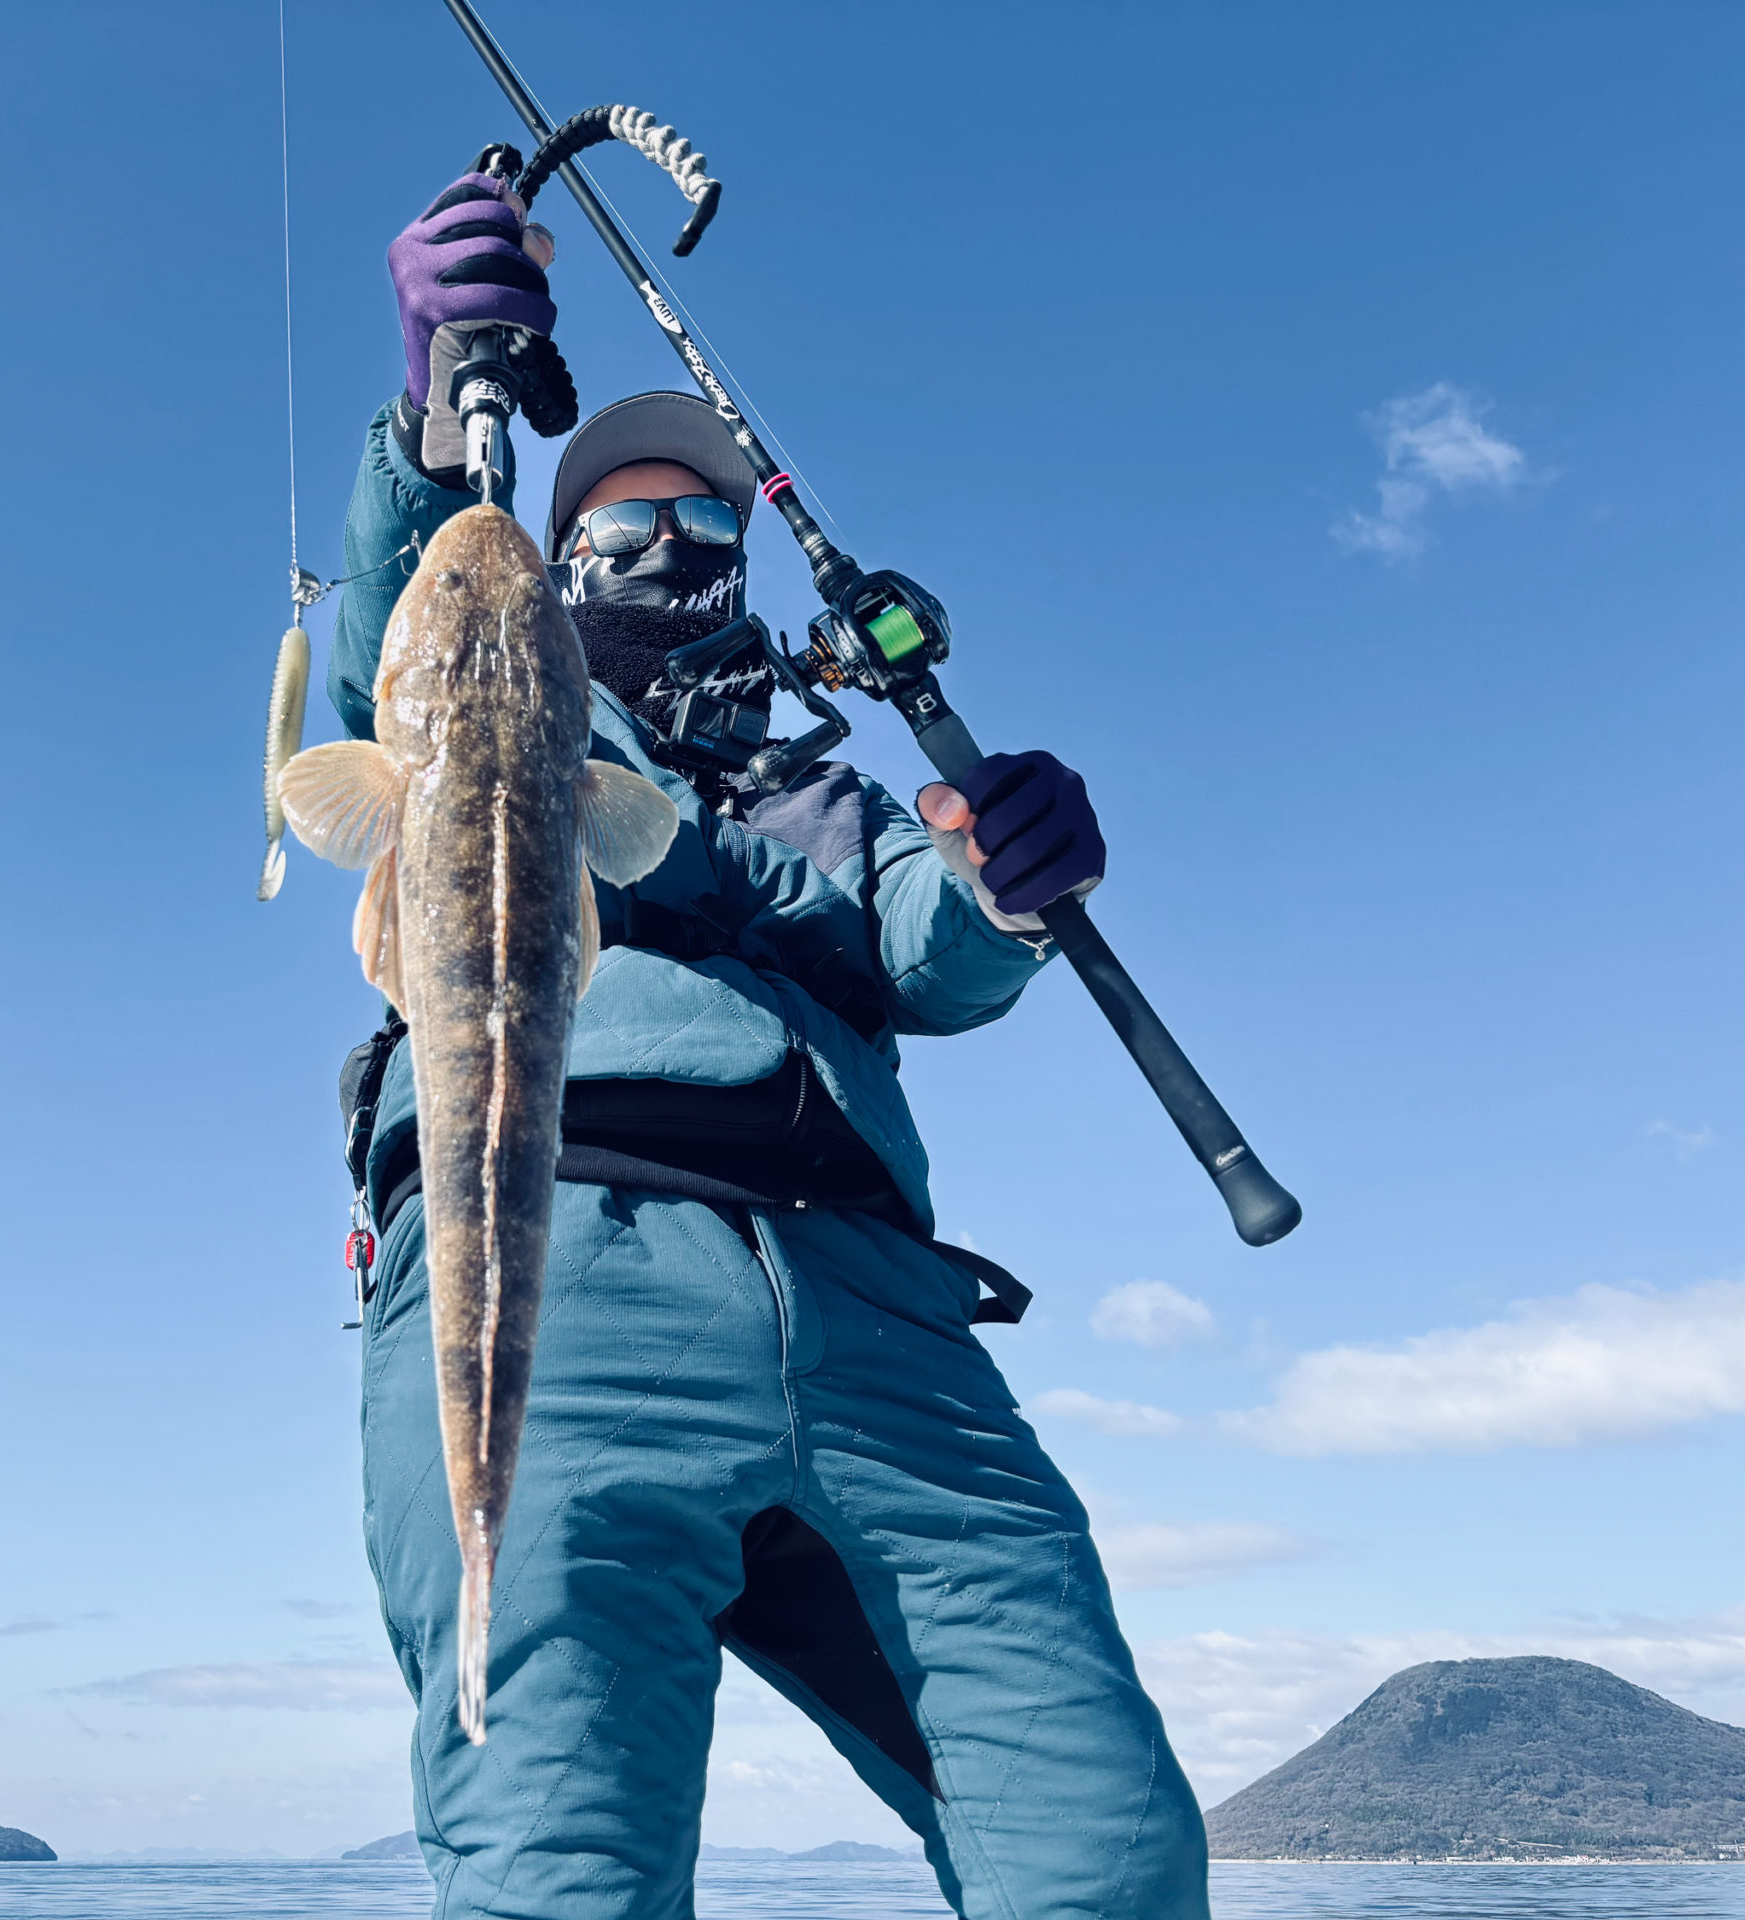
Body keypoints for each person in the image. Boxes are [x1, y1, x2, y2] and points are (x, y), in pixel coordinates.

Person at [327, 167, 1209, 1920]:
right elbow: (381, 657)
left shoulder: (827, 793)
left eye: (708, 524)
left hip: (887, 1326)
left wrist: (1006, 879)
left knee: (1104, 1850)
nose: (672, 547)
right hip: (562, 1271)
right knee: (556, 1867)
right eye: (626, 519)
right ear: (560, 548)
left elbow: (932, 959)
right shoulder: (475, 701)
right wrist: (439, 415)